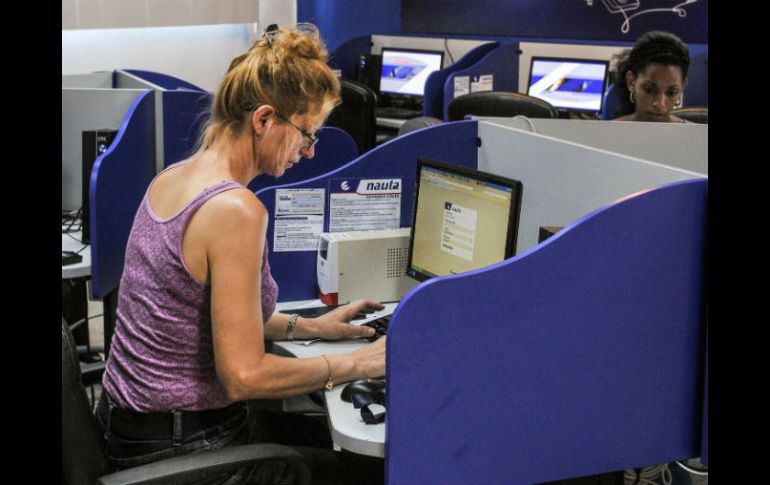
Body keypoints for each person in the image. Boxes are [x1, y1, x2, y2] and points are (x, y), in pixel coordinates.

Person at [96, 23, 385, 485]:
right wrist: (360, 363)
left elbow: (207, 315)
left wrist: (314, 328)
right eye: (307, 134)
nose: (309, 153)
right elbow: (244, 377)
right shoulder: (234, 211)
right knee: (362, 469)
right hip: (179, 445)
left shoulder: (174, 177)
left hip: (130, 428)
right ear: (265, 119)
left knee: (316, 431)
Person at [611, 30, 690, 123]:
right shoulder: (605, 134)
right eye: (649, 90)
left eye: (671, 93)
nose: (660, 104)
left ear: (683, 87)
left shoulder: (698, 136)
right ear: (631, 82)